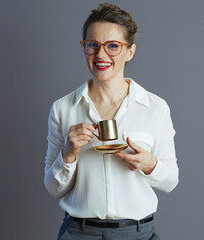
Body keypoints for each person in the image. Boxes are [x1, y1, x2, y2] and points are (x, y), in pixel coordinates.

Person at [44, 3, 179, 240]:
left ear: (130, 51)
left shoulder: (155, 107)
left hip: (138, 234)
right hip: (79, 232)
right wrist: (68, 153)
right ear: (84, 48)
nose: (101, 55)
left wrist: (150, 164)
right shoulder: (63, 108)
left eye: (113, 46)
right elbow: (54, 188)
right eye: (92, 45)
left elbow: (170, 181)